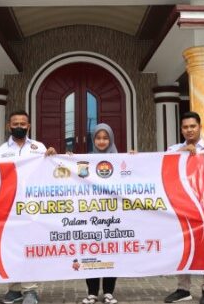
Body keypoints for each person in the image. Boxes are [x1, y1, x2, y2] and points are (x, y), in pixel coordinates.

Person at [0, 110, 56, 304]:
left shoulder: (39, 148)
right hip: (9, 207)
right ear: (8, 126)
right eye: (15, 123)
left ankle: (30, 290)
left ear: (28, 126)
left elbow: (51, 172)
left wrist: (52, 157)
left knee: (29, 246)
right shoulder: (1, 151)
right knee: (11, 247)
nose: (19, 126)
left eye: (23, 123)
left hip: (32, 207)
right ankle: (13, 289)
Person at [163, 111, 204, 304]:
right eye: (185, 127)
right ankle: (183, 289)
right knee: (183, 247)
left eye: (192, 126)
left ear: (199, 127)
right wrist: (183, 152)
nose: (189, 130)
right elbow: (159, 162)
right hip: (181, 209)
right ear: (181, 129)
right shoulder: (175, 149)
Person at [82, 123, 119, 304]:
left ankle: (109, 292)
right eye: (98, 138)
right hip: (92, 216)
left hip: (113, 217)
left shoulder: (120, 160)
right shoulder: (85, 159)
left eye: (105, 138)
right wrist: (69, 159)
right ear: (93, 140)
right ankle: (92, 292)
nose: (102, 141)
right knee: (91, 252)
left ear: (110, 139)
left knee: (111, 252)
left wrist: (135, 157)